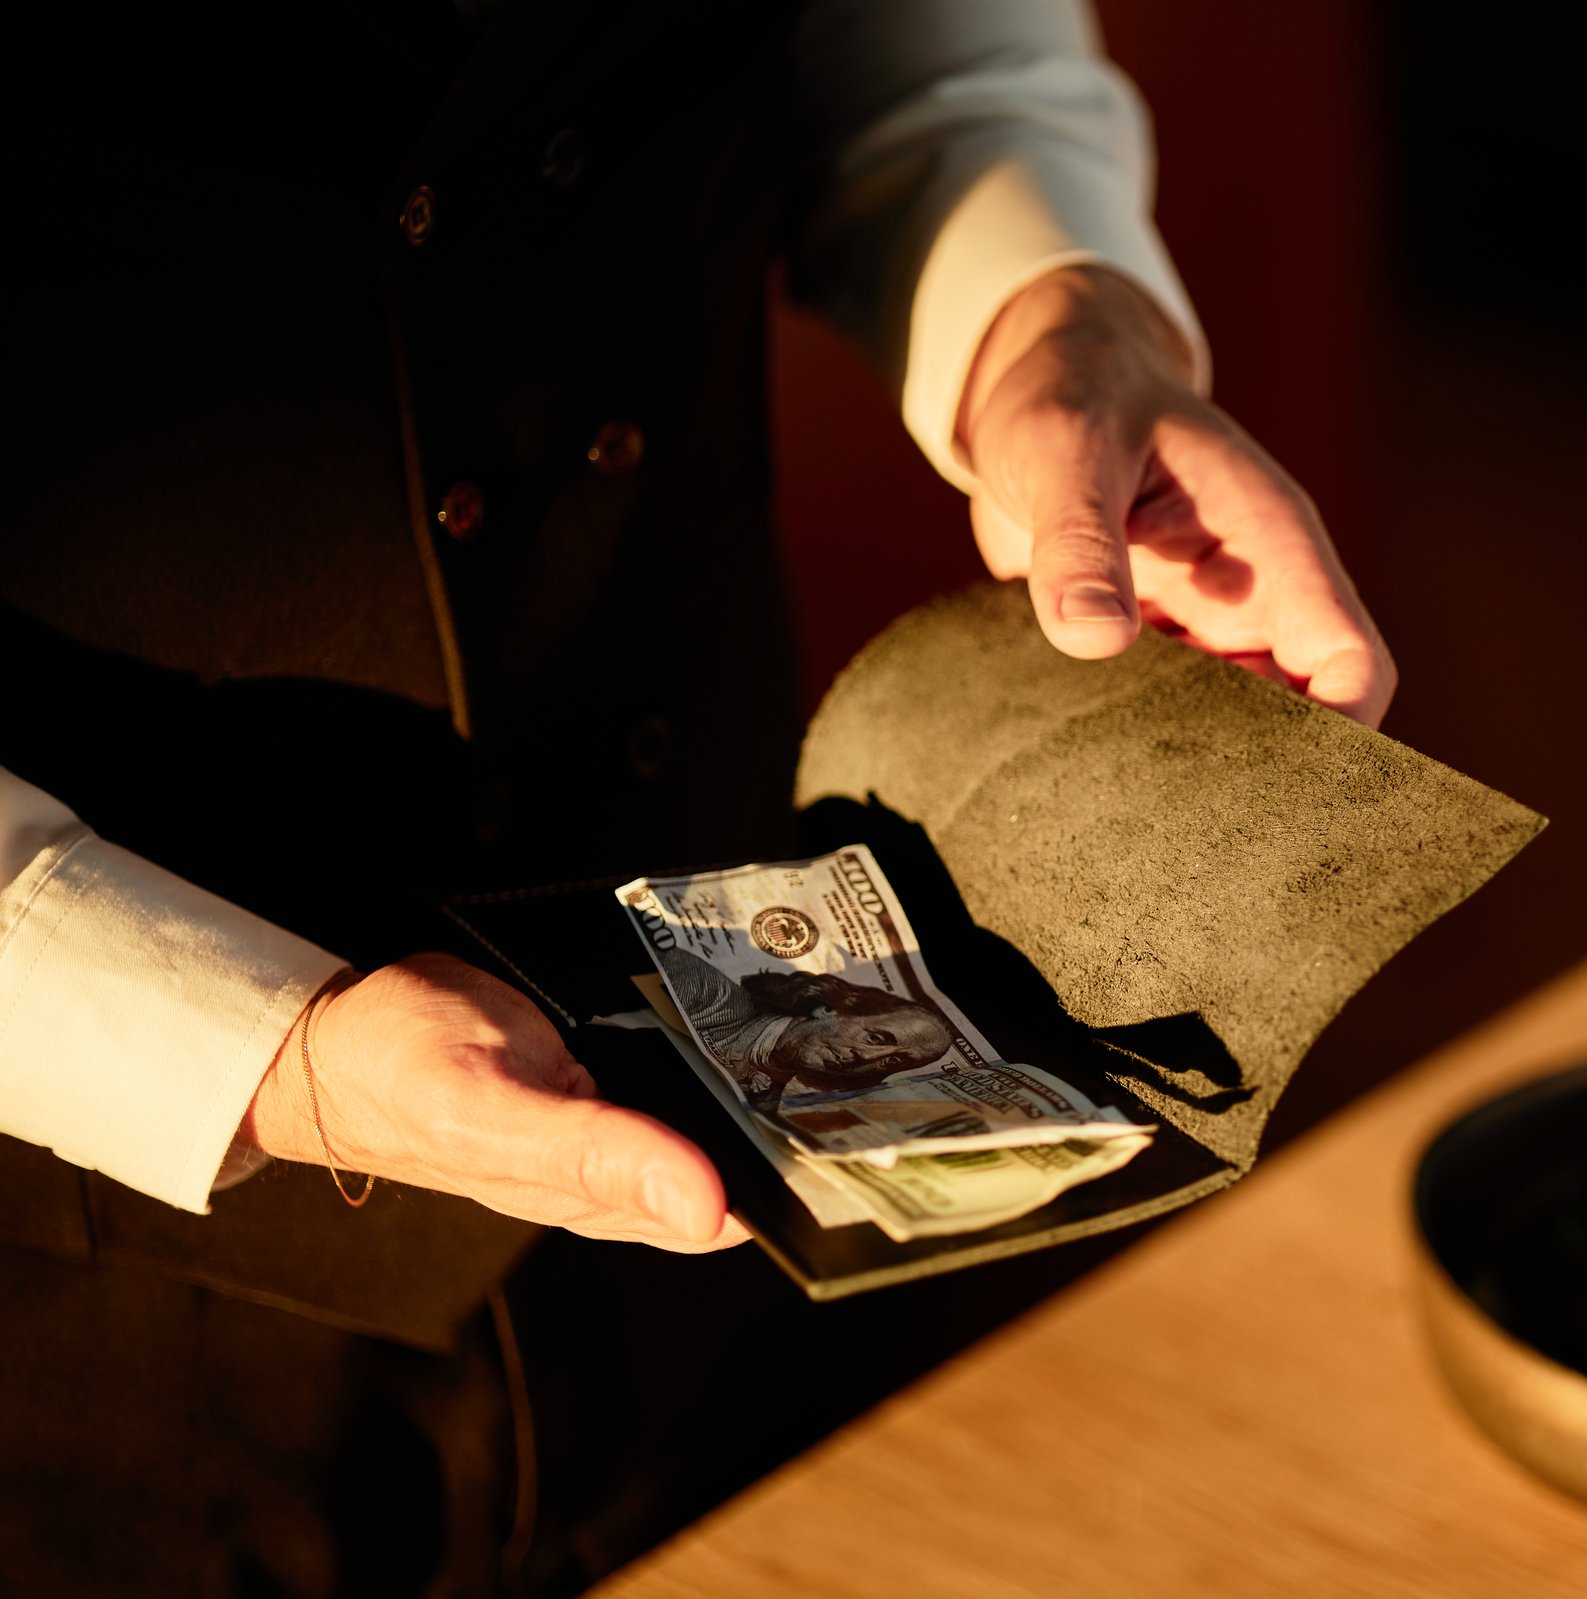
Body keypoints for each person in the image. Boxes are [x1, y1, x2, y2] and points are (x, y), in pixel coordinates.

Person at [0, 2, 1393, 1593]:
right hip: (98, 1338)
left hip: (762, 1112)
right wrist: (251, 1047)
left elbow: (931, 52)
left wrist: (1054, 321)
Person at [657, 946, 955, 1100]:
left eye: (891, 1063)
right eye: (876, 1039)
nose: (866, 1057)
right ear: (831, 1009)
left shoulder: (767, 1113)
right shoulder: (707, 992)